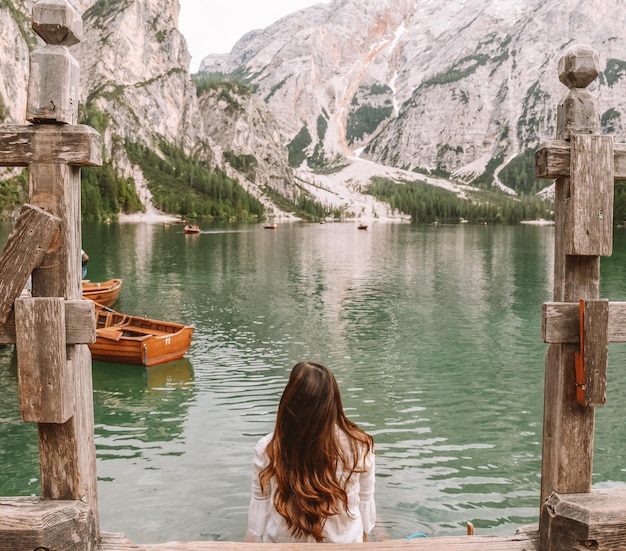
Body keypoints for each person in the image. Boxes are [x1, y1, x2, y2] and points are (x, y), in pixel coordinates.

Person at [247, 361, 375, 543]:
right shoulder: (360, 446)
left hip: (281, 545)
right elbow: (365, 509)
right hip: (344, 546)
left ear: (289, 402)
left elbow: (259, 515)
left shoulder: (267, 447)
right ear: (333, 402)